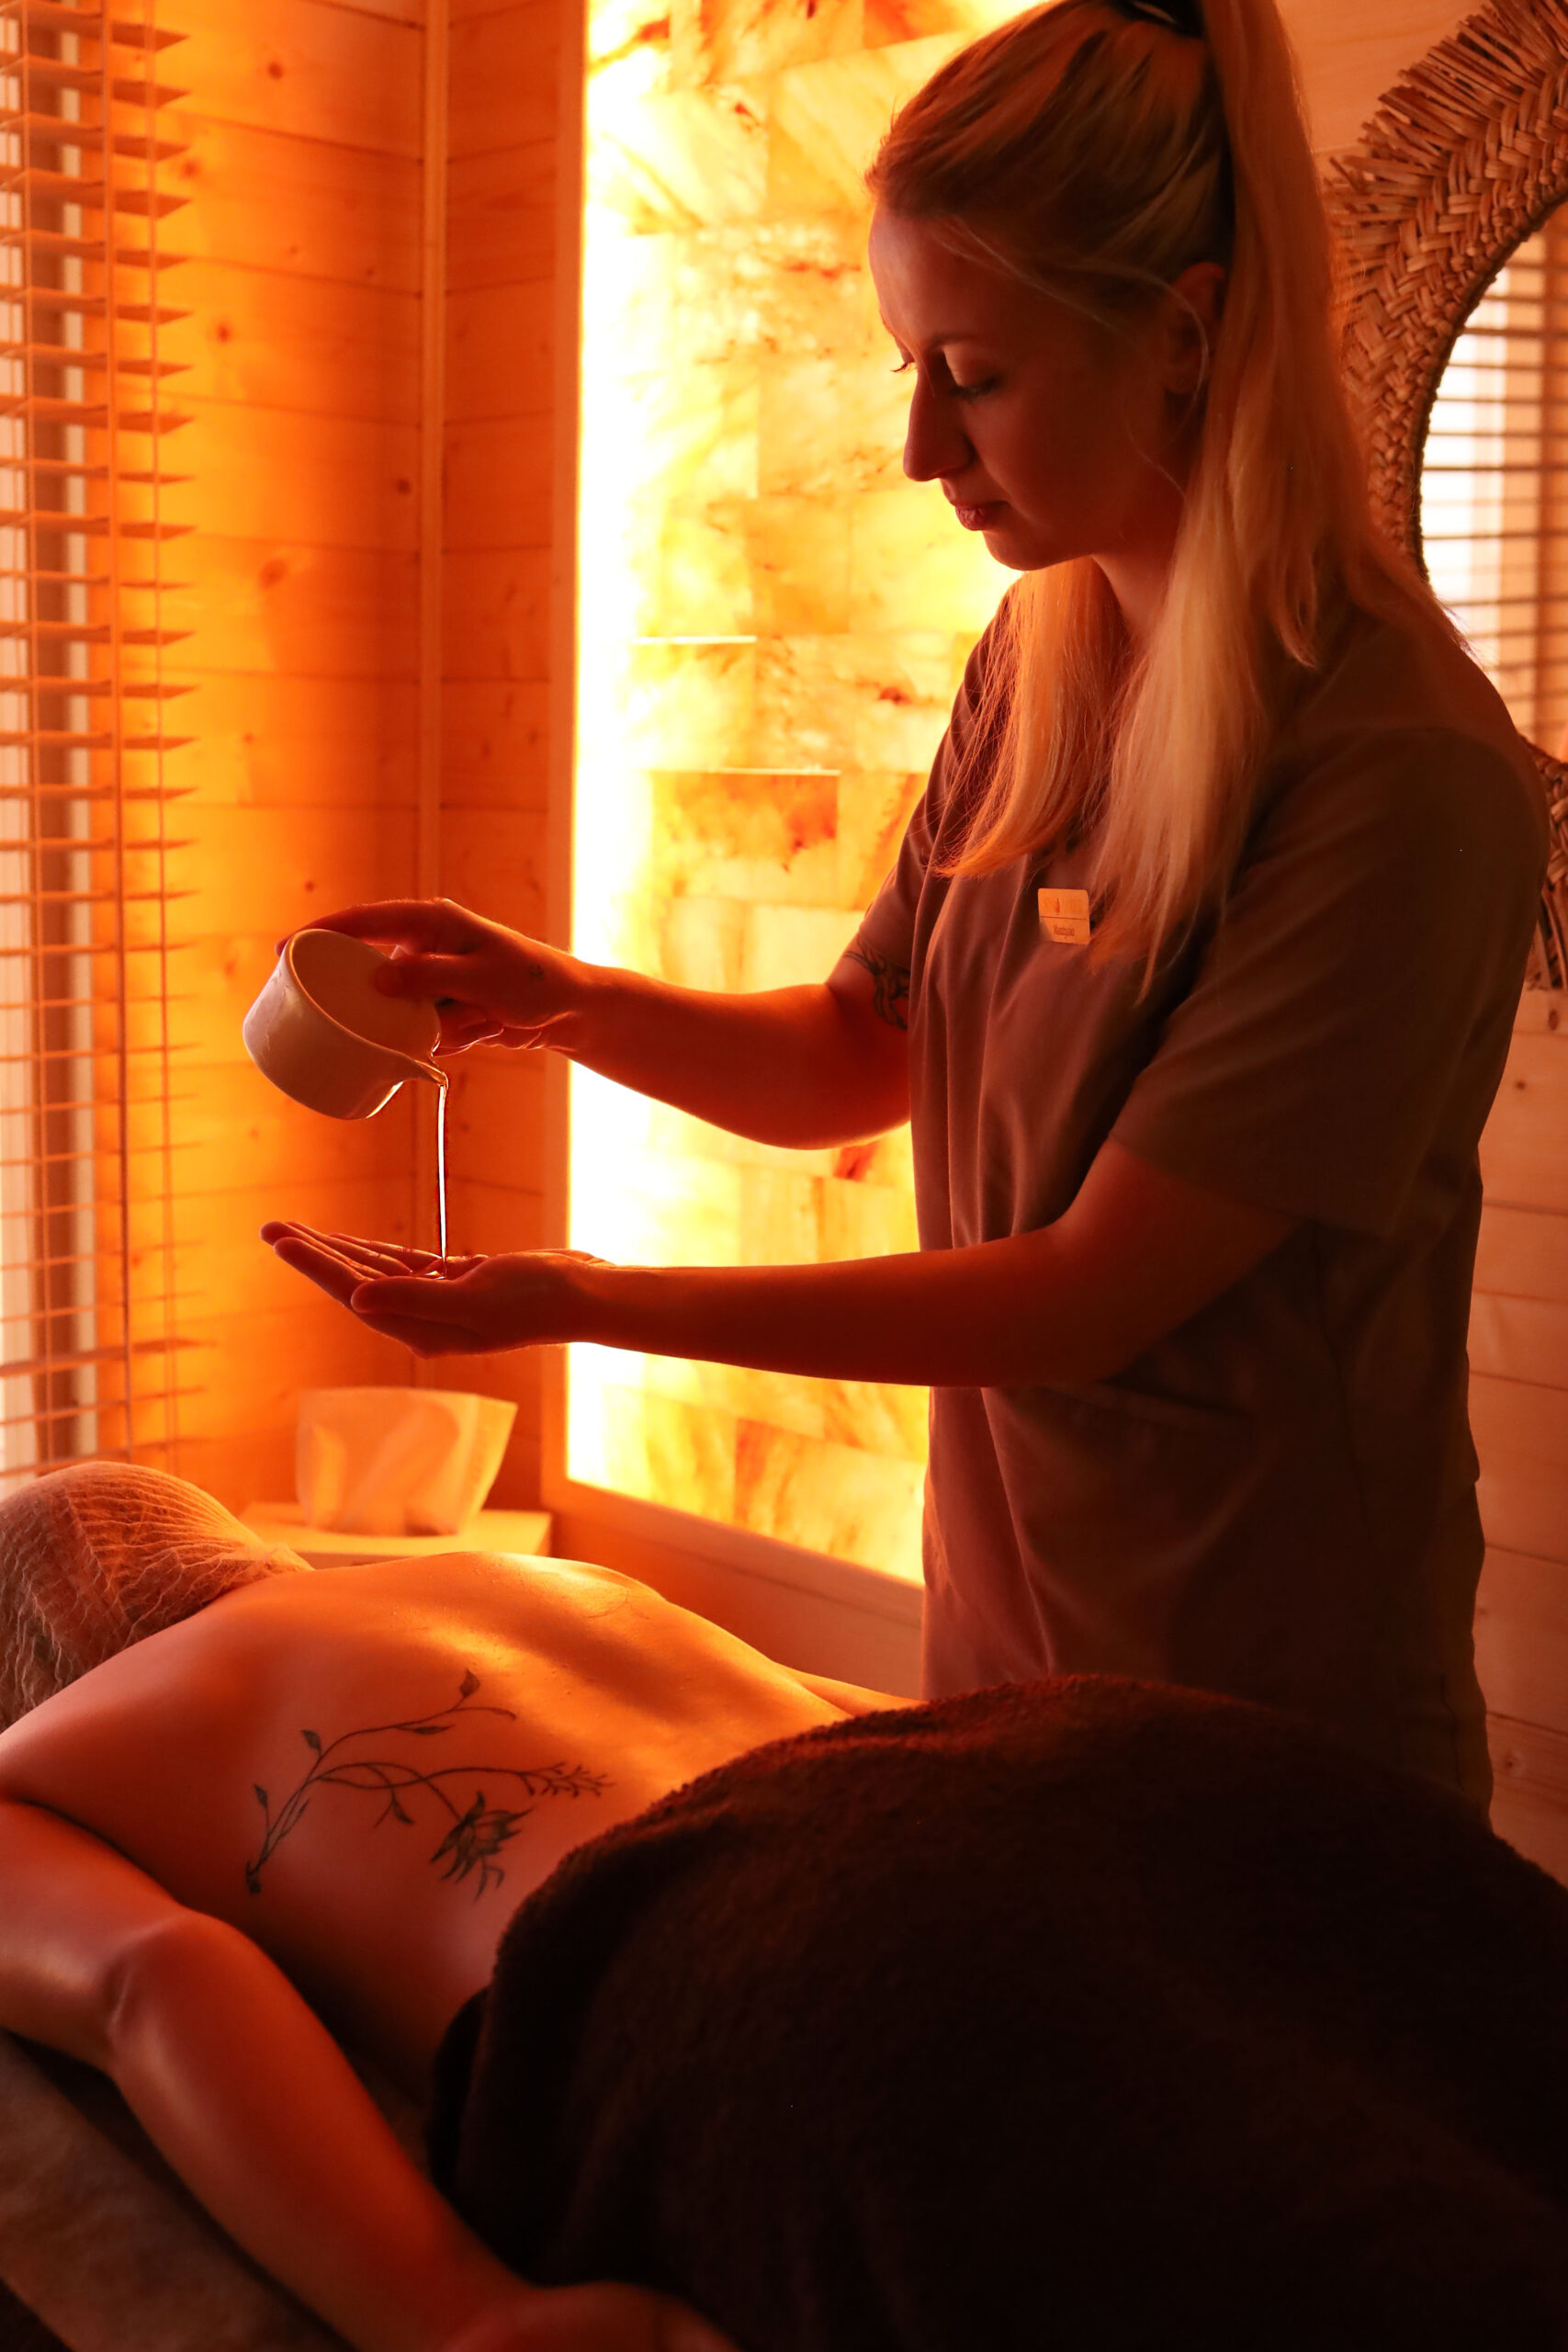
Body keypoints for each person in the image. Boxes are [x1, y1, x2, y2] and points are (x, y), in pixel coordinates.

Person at [265, 0, 1548, 1812]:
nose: (918, 446)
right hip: (1011, 1653)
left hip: (1261, 1713)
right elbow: (852, 1054)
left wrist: (585, 1301)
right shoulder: (1042, 663)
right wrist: (551, 996)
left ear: (1183, 336)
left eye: (975, 374)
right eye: (906, 366)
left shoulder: (1396, 771)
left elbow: (1084, 1295)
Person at [0, 1459, 878, 2352]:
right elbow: (869, 1715)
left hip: (722, 1979)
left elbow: (154, 1976)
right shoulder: (528, 1576)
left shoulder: (38, 1758)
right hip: (927, 1798)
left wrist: (463, 2312)